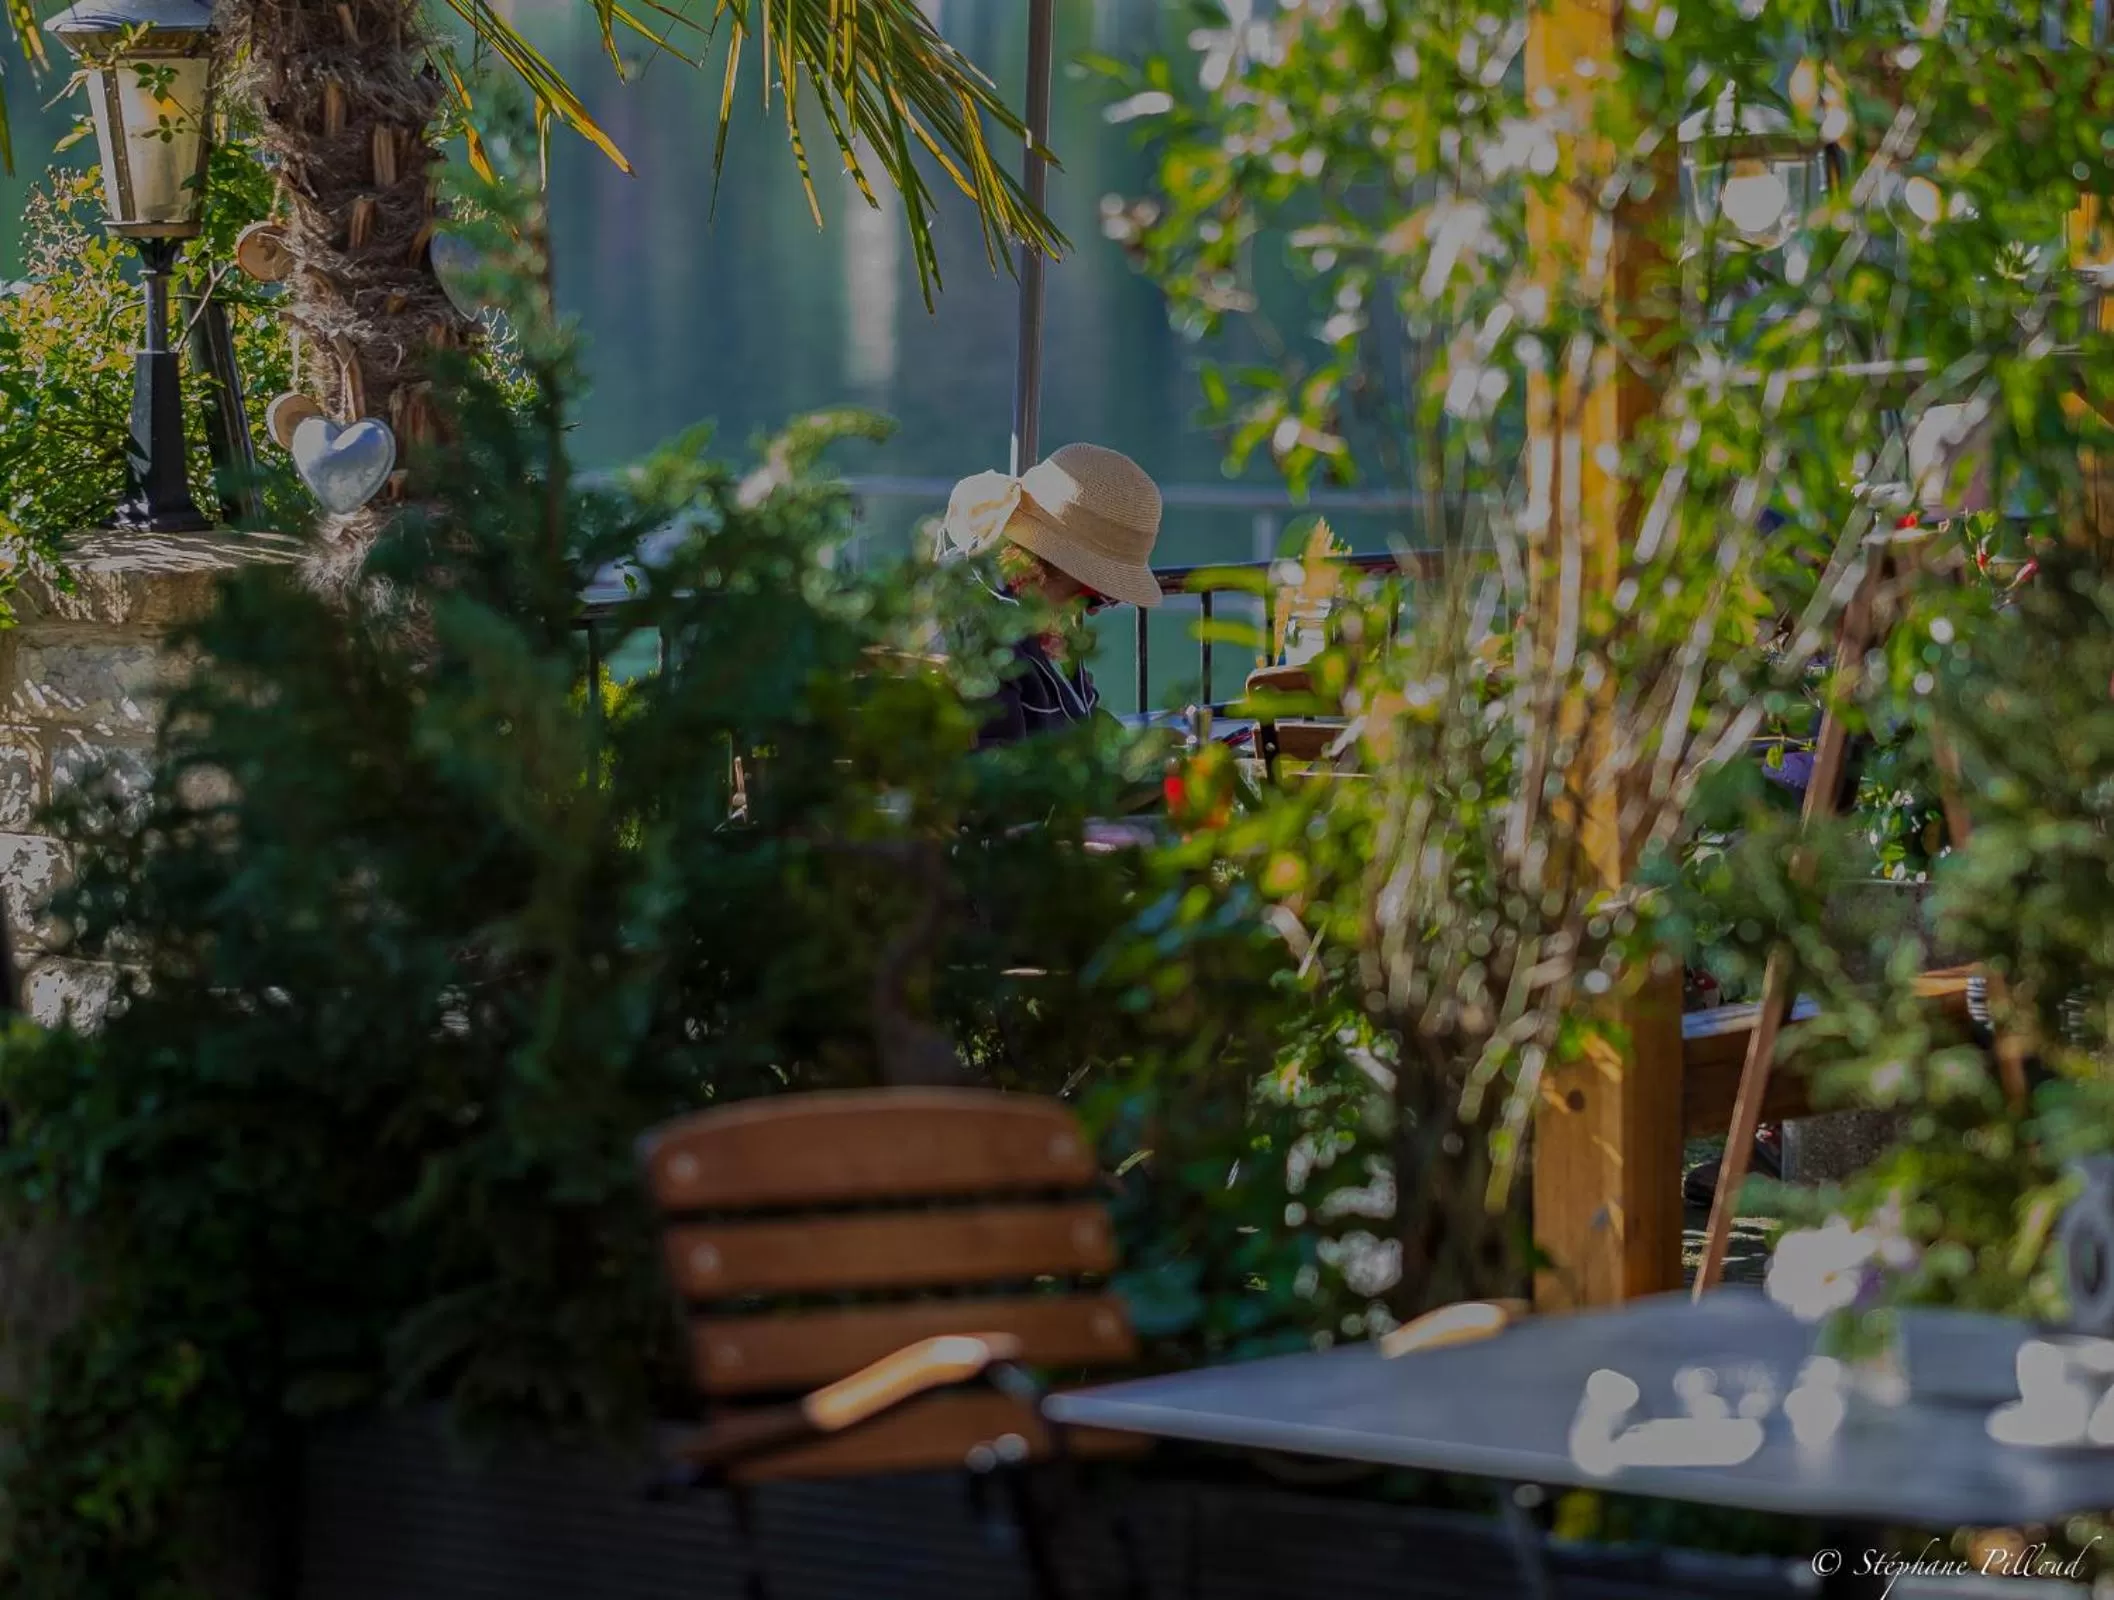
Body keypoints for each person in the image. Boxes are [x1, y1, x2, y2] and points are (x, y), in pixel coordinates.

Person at [938, 442, 1164, 748]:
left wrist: (1141, 753)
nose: (1098, 608)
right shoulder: (982, 630)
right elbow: (1001, 776)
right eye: (1101, 596)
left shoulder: (1033, 608)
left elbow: (1078, 718)